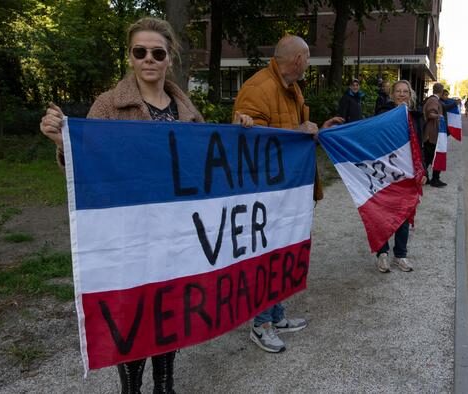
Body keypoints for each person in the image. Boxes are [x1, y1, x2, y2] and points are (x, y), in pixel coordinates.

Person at [39, 17, 254, 394]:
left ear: (169, 58)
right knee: (134, 309)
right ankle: (131, 388)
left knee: (170, 304)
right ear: (130, 57)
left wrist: (236, 134)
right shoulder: (107, 105)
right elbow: (89, 164)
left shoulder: (187, 110)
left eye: (158, 52)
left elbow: (204, 164)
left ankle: (165, 383)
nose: (149, 59)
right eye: (140, 52)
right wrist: (62, 143)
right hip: (130, 230)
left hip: (176, 229)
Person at [232, 34, 343, 354]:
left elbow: (296, 138)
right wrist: (299, 132)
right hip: (267, 195)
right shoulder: (258, 88)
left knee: (285, 254)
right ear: (297, 59)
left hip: (290, 192)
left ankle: (276, 316)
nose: (307, 64)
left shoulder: (291, 88)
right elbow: (248, 142)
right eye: (307, 59)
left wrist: (320, 130)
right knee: (267, 257)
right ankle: (260, 323)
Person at [374, 80, 427, 273]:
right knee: (382, 214)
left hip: (407, 173)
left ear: (410, 94)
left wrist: (423, 170)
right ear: (392, 94)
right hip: (386, 172)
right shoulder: (382, 114)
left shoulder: (415, 117)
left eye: (406, 91)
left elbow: (419, 145)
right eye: (398, 91)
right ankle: (382, 254)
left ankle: (401, 255)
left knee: (404, 213)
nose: (402, 94)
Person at [422, 83, 459, 187]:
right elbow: (430, 113)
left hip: (431, 134)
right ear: (441, 91)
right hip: (432, 134)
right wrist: (440, 116)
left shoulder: (432, 99)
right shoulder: (434, 100)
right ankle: (434, 179)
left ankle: (427, 177)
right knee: (434, 156)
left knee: (428, 158)